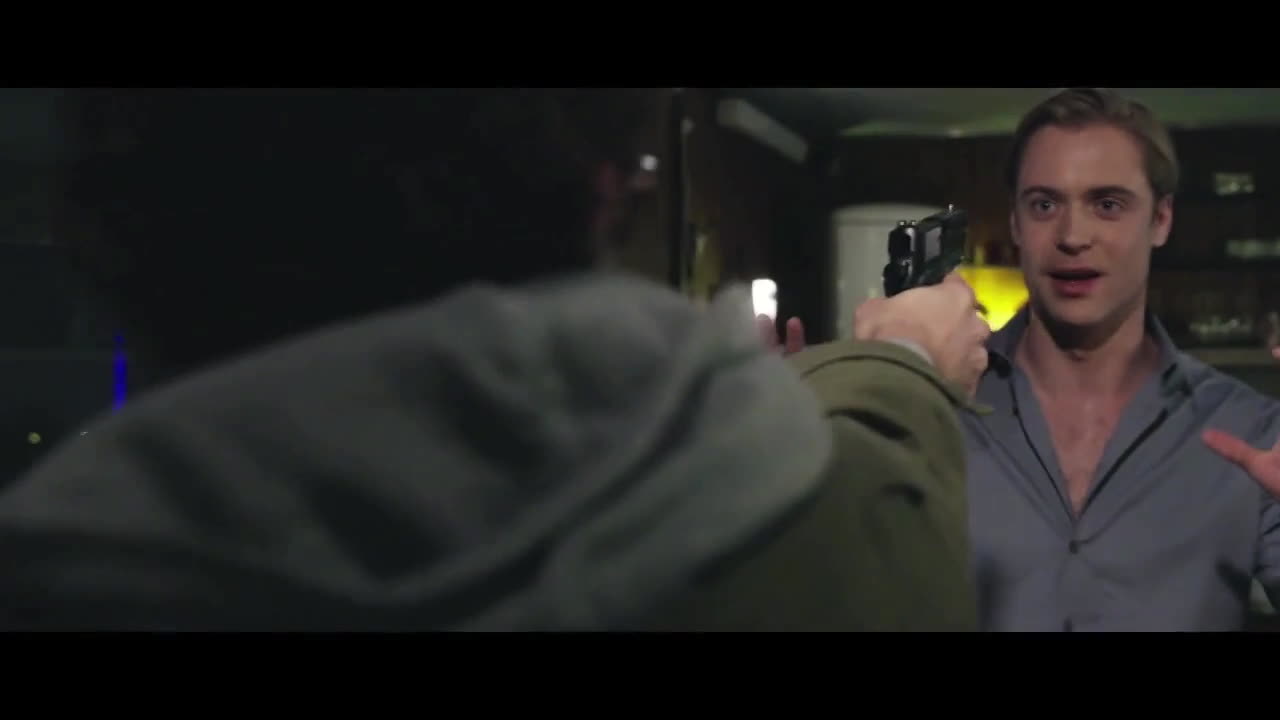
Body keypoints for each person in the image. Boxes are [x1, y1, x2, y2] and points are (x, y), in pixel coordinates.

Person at [0, 88, 991, 631]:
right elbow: (864, 481)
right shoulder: (828, 540)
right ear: (604, 187)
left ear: (102, 216)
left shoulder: (60, 573)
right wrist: (902, 355)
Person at [772, 87, 1280, 631]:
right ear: (1015, 222)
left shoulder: (1250, 432)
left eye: (1107, 205)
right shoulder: (930, 407)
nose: (1072, 236)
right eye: (1044, 205)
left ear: (1160, 219)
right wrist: (781, 469)